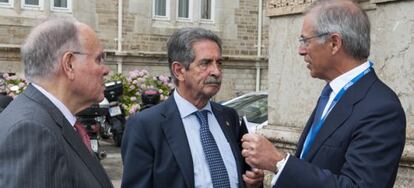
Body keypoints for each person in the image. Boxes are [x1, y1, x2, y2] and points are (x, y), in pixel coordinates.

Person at [241, 0, 406, 187]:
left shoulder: (381, 109)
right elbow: (312, 165)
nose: (301, 51)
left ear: (334, 43)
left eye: (305, 40)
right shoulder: (331, 93)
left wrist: (279, 162)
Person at [122, 27, 264, 188]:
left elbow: (243, 175)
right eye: (206, 63)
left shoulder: (228, 117)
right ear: (179, 71)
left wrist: (253, 182)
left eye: (219, 63)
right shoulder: (145, 125)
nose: (216, 72)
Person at [0, 18, 113, 187]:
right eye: (98, 59)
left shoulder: (45, 120)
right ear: (69, 64)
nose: (106, 70)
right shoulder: (34, 131)